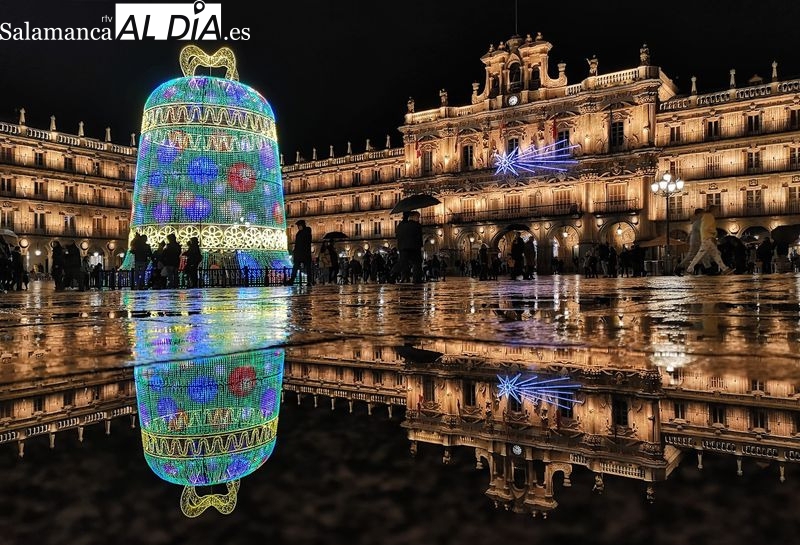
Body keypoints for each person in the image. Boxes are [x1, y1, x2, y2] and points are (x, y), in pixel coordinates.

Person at [685, 206, 733, 275]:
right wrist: (713, 234)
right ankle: (689, 268)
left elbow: (704, 227)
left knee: (715, 254)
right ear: (713, 210)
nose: (718, 212)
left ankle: (725, 269)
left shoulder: (706, 216)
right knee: (701, 254)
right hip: (708, 238)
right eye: (717, 210)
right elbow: (706, 227)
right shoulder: (709, 216)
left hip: (706, 238)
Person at [389, 211, 423, 283]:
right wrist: (420, 246)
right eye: (417, 217)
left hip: (403, 247)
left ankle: (393, 275)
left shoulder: (400, 225)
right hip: (414, 247)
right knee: (417, 263)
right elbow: (419, 237)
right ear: (413, 217)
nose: (418, 218)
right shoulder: (417, 225)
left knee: (402, 262)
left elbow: (397, 235)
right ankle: (417, 279)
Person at [675, 208, 704, 276]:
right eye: (702, 213)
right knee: (691, 255)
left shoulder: (697, 221)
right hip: (696, 241)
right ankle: (679, 267)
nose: (703, 215)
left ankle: (709, 269)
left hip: (697, 241)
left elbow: (691, 232)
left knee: (703, 255)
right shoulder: (698, 222)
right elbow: (702, 231)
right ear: (698, 214)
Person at [287, 220, 313, 285]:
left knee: (308, 268)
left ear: (302, 225)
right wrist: (295, 251)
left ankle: (309, 281)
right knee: (295, 266)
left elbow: (306, 242)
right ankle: (292, 280)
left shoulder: (306, 231)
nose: (298, 227)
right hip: (299, 254)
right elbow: (297, 244)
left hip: (305, 253)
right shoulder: (299, 233)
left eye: (299, 226)